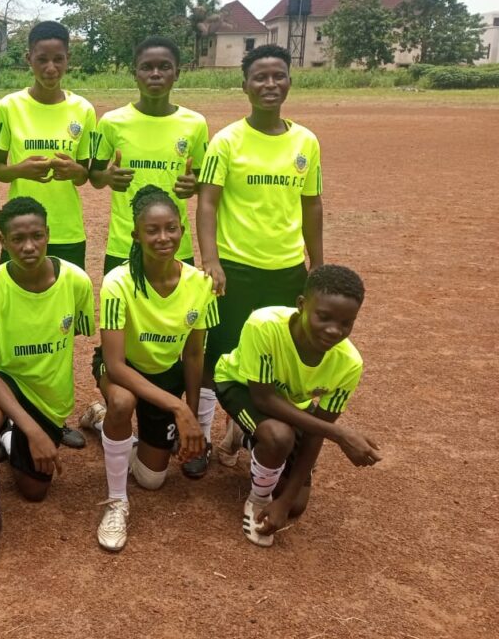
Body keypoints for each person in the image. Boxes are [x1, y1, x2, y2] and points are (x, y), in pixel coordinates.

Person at [194, 43, 324, 478]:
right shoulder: (227, 140)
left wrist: (317, 267)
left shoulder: (306, 142)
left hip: (286, 271)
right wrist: (211, 260)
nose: (270, 84)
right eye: (260, 77)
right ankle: (200, 437)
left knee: (274, 359)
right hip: (235, 269)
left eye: (278, 76)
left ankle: (238, 433)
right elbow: (207, 203)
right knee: (219, 357)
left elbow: (312, 205)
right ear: (245, 85)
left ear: (290, 81)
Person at [84, 35, 209, 475]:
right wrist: (107, 177)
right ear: (134, 72)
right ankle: (112, 410)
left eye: (164, 67)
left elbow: (203, 182)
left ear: (177, 72)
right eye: (147, 67)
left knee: (182, 339)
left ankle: (189, 427)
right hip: (124, 248)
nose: (155, 74)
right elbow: (95, 175)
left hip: (178, 251)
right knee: (121, 344)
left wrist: (194, 186)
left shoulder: (195, 124)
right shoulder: (112, 122)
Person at [0, 197, 95, 568]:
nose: (29, 246)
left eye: (37, 236)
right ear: (3, 242)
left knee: (35, 492)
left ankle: (10, 435)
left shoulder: (76, 281)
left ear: (48, 235)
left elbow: (78, 335)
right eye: (18, 239)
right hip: (4, 380)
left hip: (47, 395)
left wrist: (39, 426)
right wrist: (33, 432)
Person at [213, 265, 381, 547]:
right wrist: (340, 434)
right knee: (280, 437)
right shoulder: (264, 325)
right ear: (301, 305)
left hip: (289, 404)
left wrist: (286, 501)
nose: (334, 330)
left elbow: (318, 431)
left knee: (296, 504)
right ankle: (257, 499)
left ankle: (243, 436)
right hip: (240, 386)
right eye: (323, 317)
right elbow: (264, 398)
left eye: (346, 323)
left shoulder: (349, 363)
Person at [95, 185, 219, 552]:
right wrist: (178, 407)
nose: (163, 238)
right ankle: (117, 501)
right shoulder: (118, 282)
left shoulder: (201, 284)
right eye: (152, 230)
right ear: (136, 235)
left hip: (165, 377)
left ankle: (105, 425)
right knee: (122, 403)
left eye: (171, 228)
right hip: (123, 371)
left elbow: (194, 355)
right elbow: (115, 364)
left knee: (152, 479)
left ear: (182, 229)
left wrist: (190, 415)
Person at [0, 20, 96, 448]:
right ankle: (8, 417)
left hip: (66, 232)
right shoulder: (8, 107)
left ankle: (56, 415)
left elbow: (87, 173)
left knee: (60, 328)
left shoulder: (83, 110)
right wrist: (21, 169)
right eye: (42, 59)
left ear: (69, 60)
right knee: (15, 326)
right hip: (22, 238)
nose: (50, 68)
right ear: (28, 59)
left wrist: (75, 171)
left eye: (58, 59)